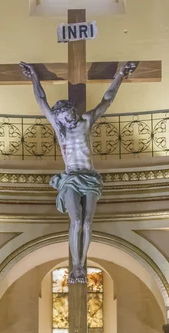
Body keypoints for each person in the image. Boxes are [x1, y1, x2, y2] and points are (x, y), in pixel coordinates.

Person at [20, 60, 136, 283]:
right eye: (65, 116)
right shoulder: (60, 129)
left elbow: (107, 100)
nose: (69, 118)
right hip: (71, 179)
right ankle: (76, 266)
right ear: (60, 118)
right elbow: (41, 100)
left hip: (90, 178)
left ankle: (83, 261)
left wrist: (120, 76)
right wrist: (34, 77)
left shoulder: (85, 121)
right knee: (75, 222)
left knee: (87, 223)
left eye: (70, 114)